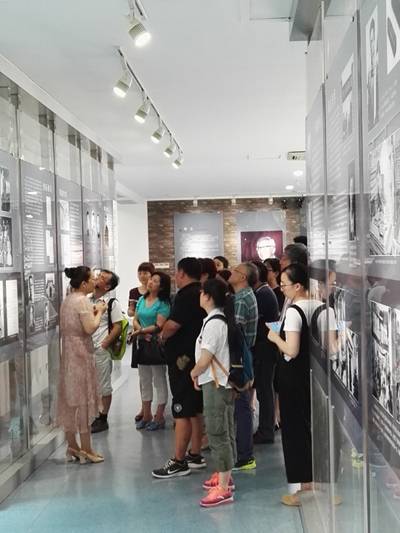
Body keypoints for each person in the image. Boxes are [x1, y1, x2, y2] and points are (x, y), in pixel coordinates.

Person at [152, 257, 206, 479]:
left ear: (182, 273)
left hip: (183, 361)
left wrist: (162, 335)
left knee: (182, 408)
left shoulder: (186, 295)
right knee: (195, 407)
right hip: (196, 358)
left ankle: (179, 460)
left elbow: (173, 325)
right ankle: (195, 453)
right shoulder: (202, 292)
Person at [267, 263, 313, 505]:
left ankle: (305, 487)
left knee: (295, 433)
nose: (282, 288)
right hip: (311, 376)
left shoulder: (295, 311)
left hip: (293, 378)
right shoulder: (322, 307)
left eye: (284, 284)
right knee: (310, 430)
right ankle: (317, 484)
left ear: (298, 285)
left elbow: (292, 350)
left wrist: (275, 337)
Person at [190, 278, 236, 508]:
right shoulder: (217, 320)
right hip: (219, 382)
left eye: (201, 292)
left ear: (208, 296)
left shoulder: (214, 323)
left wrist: (194, 372)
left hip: (216, 383)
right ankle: (225, 474)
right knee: (224, 430)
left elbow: (206, 358)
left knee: (218, 432)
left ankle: (224, 487)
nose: (199, 296)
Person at [57, 266, 107, 464]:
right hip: (81, 354)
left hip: (69, 353)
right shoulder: (82, 300)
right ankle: (86, 449)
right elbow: (90, 327)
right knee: (83, 400)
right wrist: (100, 311)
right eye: (93, 279)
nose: (96, 282)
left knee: (70, 400)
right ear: (84, 283)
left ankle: (72, 446)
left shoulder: (68, 300)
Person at [131, 271, 171, 431]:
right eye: (151, 280)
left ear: (162, 287)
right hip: (142, 344)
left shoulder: (163, 303)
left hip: (155, 345)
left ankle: (159, 416)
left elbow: (159, 325)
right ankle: (146, 414)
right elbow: (135, 318)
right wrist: (140, 331)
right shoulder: (142, 299)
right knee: (144, 380)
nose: (150, 282)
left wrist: (142, 332)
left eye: (155, 281)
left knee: (159, 380)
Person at [228, 262, 258, 470]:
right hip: (244, 356)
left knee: (241, 406)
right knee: (242, 406)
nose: (231, 272)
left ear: (243, 278)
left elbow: (235, 334)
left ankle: (245, 455)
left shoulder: (240, 300)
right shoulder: (245, 296)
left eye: (235, 271)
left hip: (239, 359)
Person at [89, 269, 123, 433]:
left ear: (107, 286)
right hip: (85, 350)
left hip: (100, 349)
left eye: (102, 277)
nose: (97, 277)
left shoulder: (111, 303)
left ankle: (103, 418)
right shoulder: (86, 299)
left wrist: (105, 344)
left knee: (103, 385)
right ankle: (93, 414)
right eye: (98, 275)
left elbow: (118, 326)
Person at [251, 261, 279, 444]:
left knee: (265, 390)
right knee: (264, 389)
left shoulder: (263, 294)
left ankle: (266, 430)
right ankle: (265, 428)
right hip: (264, 347)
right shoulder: (262, 292)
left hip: (265, 348)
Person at [128, 261, 155, 422]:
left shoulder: (156, 293)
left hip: (154, 337)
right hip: (139, 337)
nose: (142, 276)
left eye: (145, 273)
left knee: (158, 376)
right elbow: (131, 312)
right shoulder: (134, 292)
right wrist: (132, 311)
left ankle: (157, 411)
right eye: (140, 272)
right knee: (143, 376)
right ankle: (144, 408)